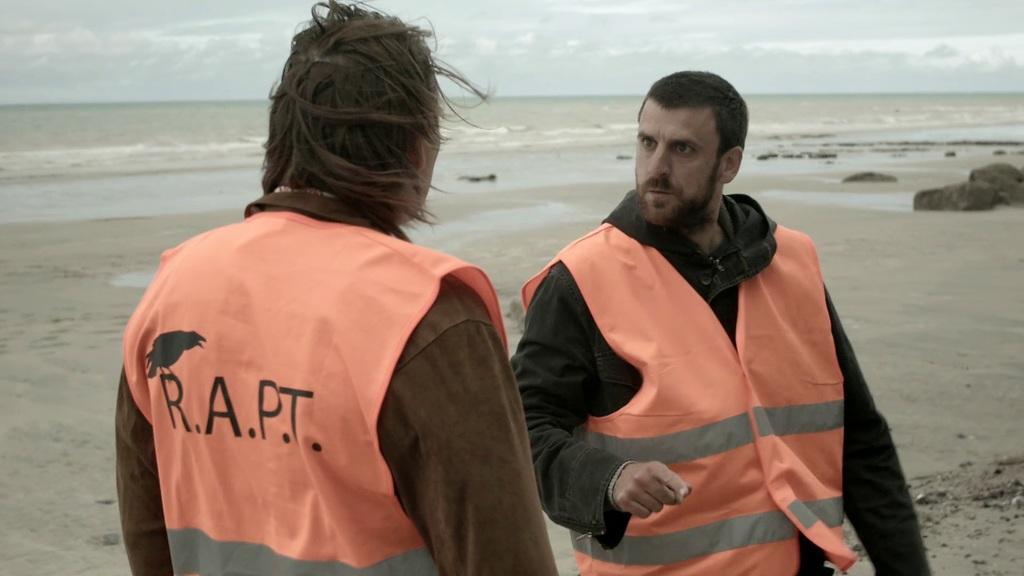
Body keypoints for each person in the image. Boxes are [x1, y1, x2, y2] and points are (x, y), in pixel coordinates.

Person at [115, 3, 558, 575]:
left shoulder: (173, 289)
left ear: (282, 139)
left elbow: (149, 536)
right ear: (417, 149)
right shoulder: (424, 315)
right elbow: (503, 558)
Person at [512, 71, 929, 575]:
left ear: (728, 164)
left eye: (682, 149)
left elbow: (861, 441)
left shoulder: (792, 263)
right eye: (647, 143)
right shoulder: (580, 278)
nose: (656, 168)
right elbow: (520, 431)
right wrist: (607, 478)